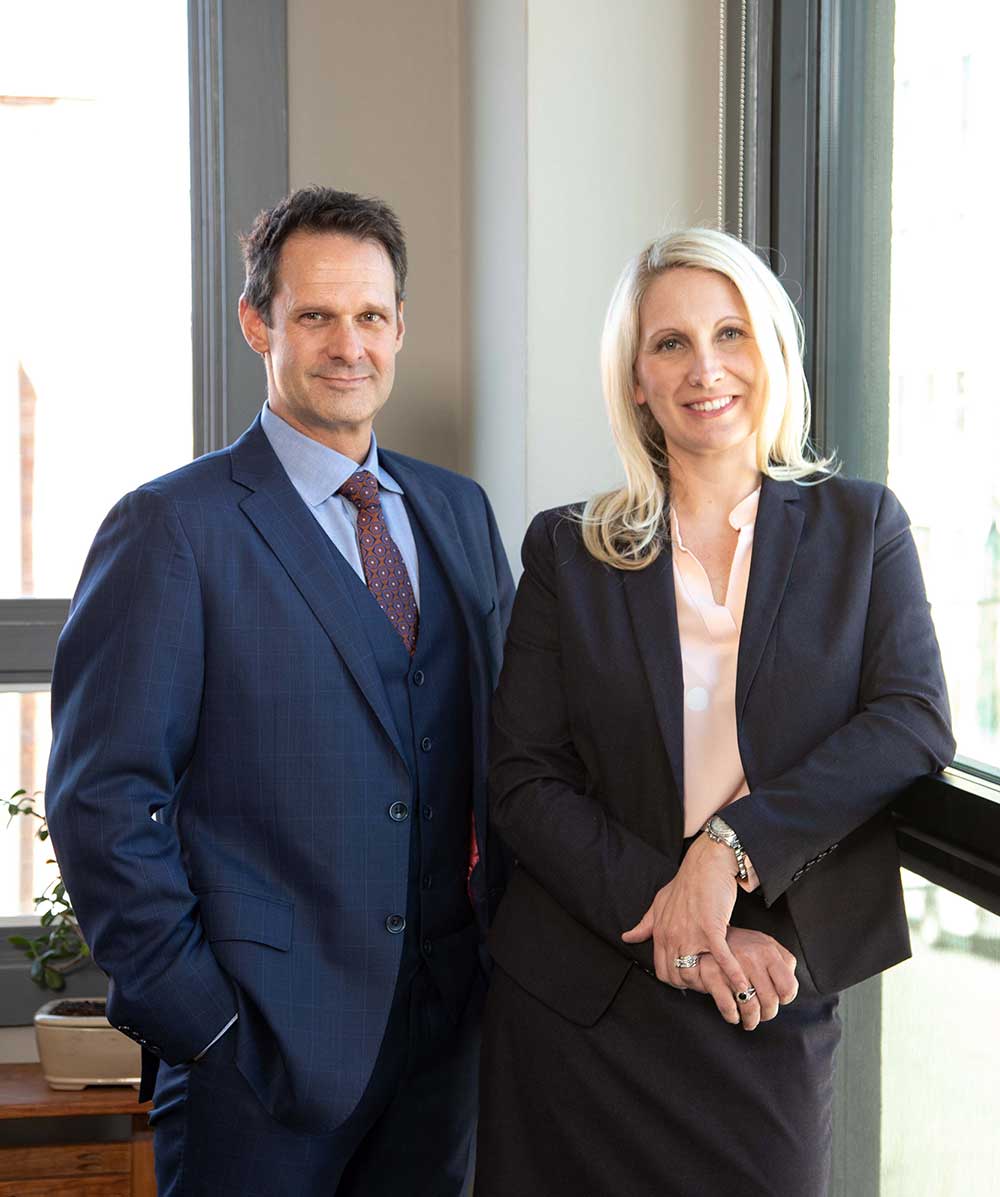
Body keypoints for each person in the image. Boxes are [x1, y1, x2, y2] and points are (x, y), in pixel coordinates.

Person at [45, 186, 514, 1197]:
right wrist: (203, 1021)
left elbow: (508, 756)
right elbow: (101, 801)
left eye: (370, 317)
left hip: (441, 1052)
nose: (348, 345)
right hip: (251, 1062)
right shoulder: (171, 529)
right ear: (259, 323)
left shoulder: (459, 514)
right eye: (315, 316)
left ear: (398, 329)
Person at [475, 228, 954, 1196]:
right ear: (637, 381)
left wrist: (725, 851)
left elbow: (910, 722)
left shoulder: (862, 529)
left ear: (771, 352)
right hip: (582, 1005)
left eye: (730, 334)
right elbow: (523, 778)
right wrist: (674, 911)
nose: (706, 369)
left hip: (764, 986)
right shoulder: (568, 552)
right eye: (670, 344)